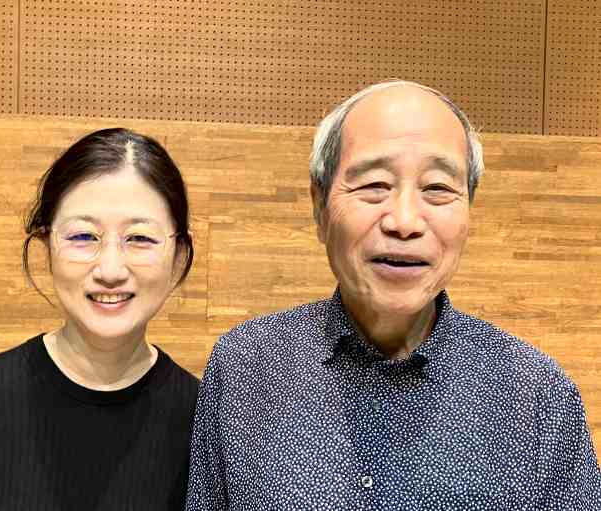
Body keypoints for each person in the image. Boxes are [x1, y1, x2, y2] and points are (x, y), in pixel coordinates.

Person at [185, 81, 601, 510]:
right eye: (374, 184)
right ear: (319, 207)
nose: (404, 222)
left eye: (437, 188)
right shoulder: (244, 367)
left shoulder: (539, 396)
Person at [0, 128, 199, 510]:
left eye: (139, 238)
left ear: (179, 256)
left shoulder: (204, 422)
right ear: (46, 247)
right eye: (83, 236)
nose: (110, 270)